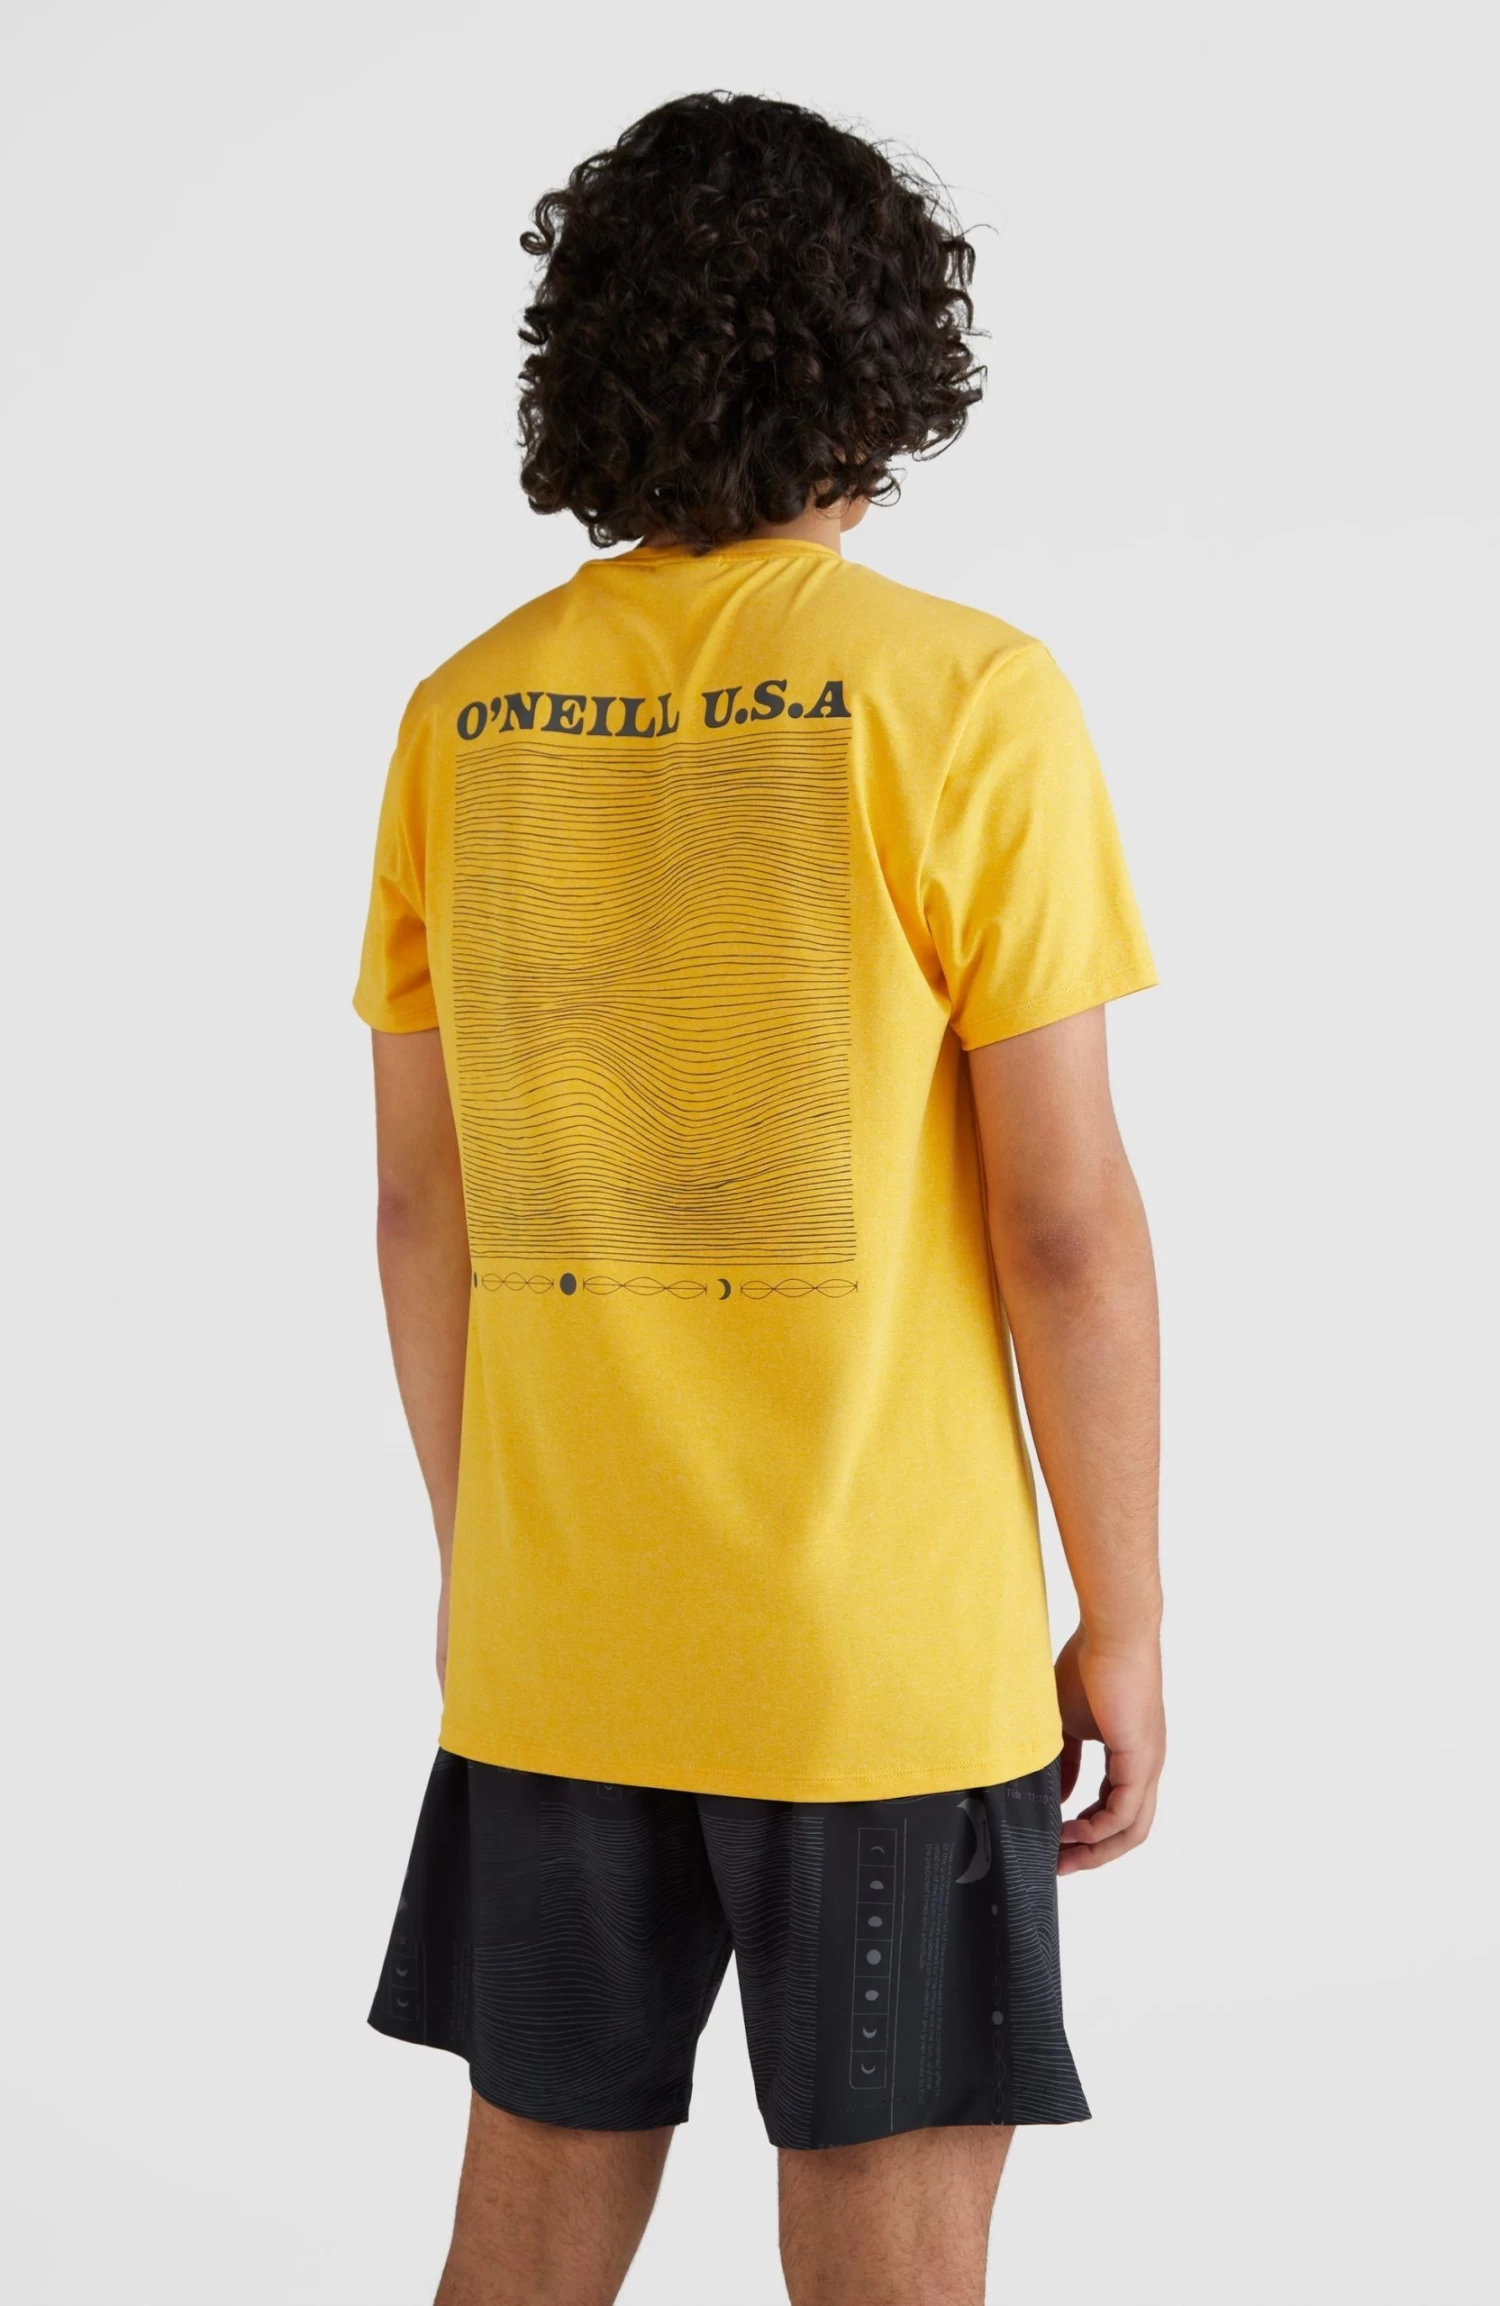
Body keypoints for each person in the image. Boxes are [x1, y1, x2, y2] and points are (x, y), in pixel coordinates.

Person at [354, 89, 1163, 2306]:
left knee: (520, 2242)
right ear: (884, 354)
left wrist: (487, 1565)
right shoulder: (966, 699)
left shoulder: (464, 714)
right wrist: (1125, 1613)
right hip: (875, 1659)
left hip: (556, 1637)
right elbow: (1066, 1226)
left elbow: (422, 1213)